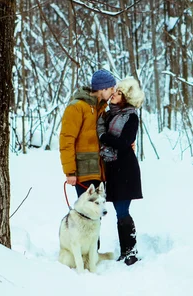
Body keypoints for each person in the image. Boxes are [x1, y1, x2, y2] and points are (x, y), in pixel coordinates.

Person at [97, 77, 144, 266]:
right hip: (113, 169)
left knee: (122, 210)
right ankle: (126, 251)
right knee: (119, 211)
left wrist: (104, 137)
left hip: (126, 170)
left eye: (118, 93)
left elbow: (125, 143)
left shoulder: (131, 116)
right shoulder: (110, 115)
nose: (114, 95)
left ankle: (130, 252)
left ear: (126, 98)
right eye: (115, 91)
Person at [60, 69, 116, 197]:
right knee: (86, 213)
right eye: (111, 88)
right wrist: (70, 172)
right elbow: (66, 140)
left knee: (96, 214)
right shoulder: (77, 107)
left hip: (98, 171)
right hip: (83, 172)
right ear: (103, 89)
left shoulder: (100, 109)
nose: (113, 92)